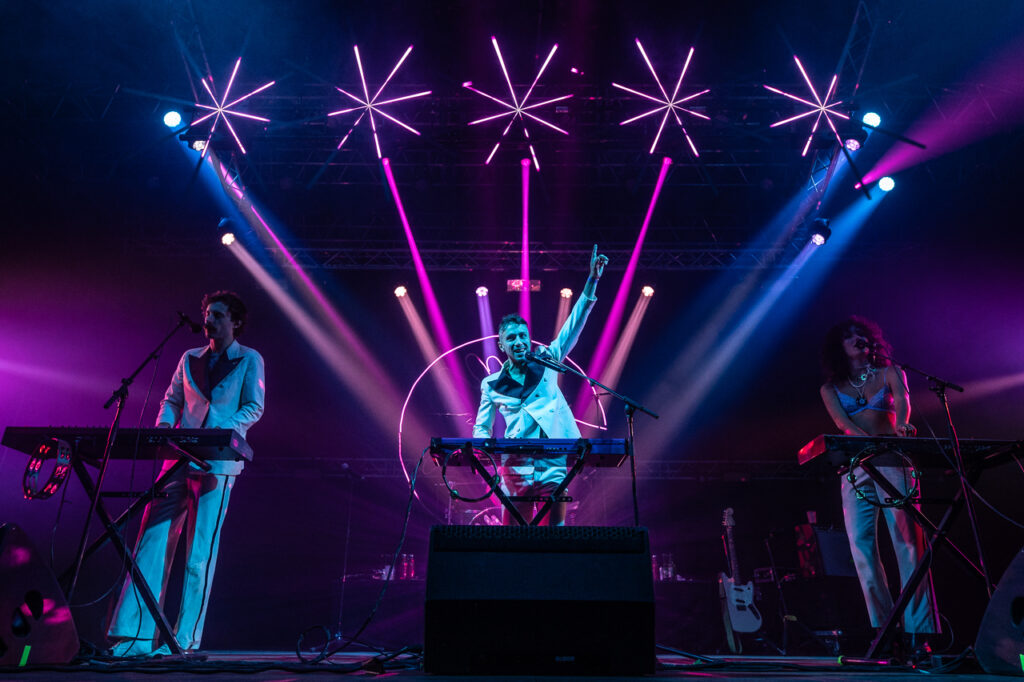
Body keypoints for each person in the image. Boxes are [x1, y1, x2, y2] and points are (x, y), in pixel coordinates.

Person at [108, 291, 265, 657]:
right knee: (151, 544)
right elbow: (172, 399)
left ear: (235, 322)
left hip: (218, 462)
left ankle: (184, 641)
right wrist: (164, 426)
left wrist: (221, 432)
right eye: (208, 313)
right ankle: (133, 637)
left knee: (198, 556)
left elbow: (254, 406)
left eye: (219, 315)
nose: (210, 320)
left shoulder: (249, 358)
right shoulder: (189, 357)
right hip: (176, 458)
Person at [819, 316, 938, 646]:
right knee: (861, 546)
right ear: (838, 347)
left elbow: (902, 401)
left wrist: (901, 426)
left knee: (909, 545)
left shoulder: (890, 372)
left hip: (894, 463)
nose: (858, 340)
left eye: (862, 335)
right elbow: (844, 425)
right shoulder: (830, 388)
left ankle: (920, 632)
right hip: (857, 468)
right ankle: (883, 629)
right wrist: (865, 443)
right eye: (849, 337)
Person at [473, 245, 608, 526]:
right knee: (515, 541)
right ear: (502, 345)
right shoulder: (491, 383)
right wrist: (477, 449)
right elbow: (482, 426)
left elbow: (573, 326)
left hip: (552, 460)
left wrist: (592, 281)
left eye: (523, 335)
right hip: (514, 465)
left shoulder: (548, 359)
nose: (519, 341)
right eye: (511, 338)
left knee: (552, 539)